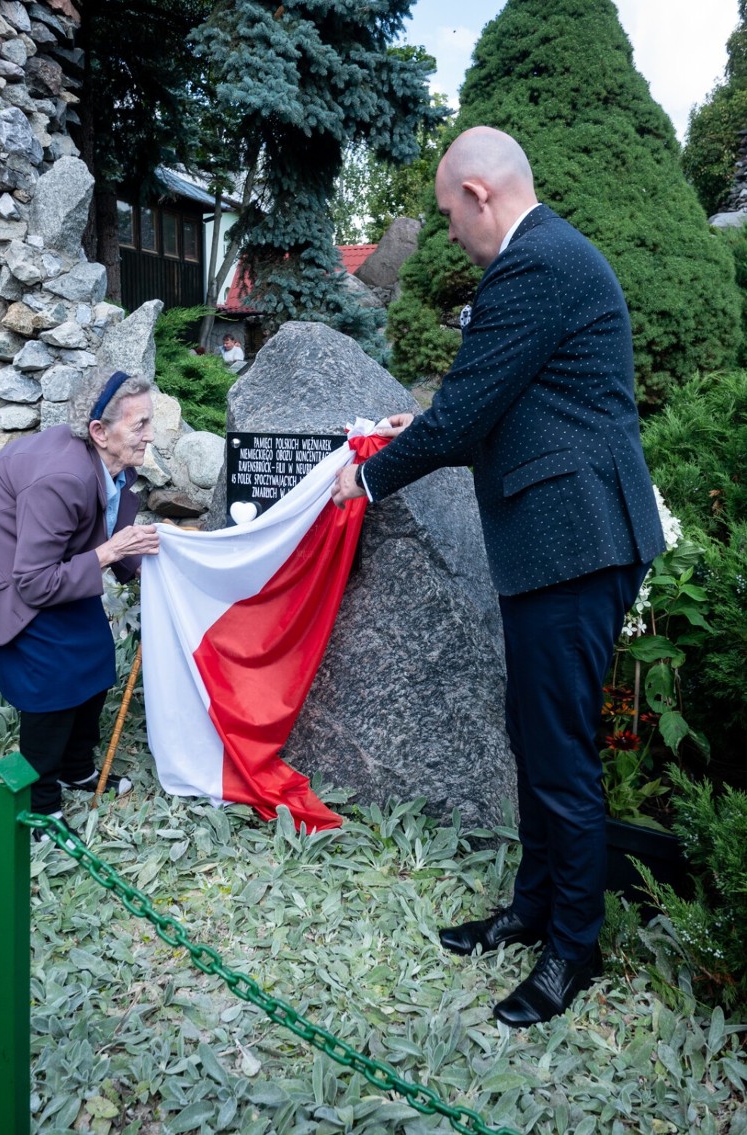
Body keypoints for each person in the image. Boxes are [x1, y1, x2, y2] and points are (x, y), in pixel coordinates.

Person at [332, 127, 665, 1026]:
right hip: (557, 542)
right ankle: (532, 905)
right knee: (533, 735)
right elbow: (489, 407)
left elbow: (467, 412)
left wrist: (364, 478)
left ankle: (573, 947)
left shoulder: (538, 262)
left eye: (448, 213)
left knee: (559, 754)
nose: (450, 232)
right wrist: (416, 428)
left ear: (480, 193)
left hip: (575, 542)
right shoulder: (546, 258)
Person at [0, 369, 160, 841]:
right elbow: (36, 583)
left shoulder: (105, 460)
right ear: (99, 431)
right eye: (140, 424)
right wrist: (112, 553)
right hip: (6, 569)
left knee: (96, 657)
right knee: (50, 682)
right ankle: (41, 808)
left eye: (149, 422)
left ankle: (75, 769)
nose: (150, 435)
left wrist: (140, 567)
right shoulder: (63, 478)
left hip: (45, 559)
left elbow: (107, 519)